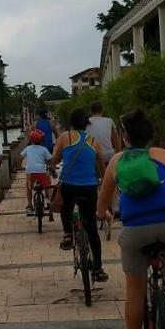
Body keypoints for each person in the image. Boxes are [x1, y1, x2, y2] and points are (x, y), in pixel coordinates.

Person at [96, 108, 165, 329]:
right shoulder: (162, 155)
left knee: (135, 291)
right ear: (150, 136)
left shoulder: (116, 161)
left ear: (125, 138)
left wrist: (104, 213)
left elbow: (102, 202)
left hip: (136, 230)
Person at [51, 108, 108, 282]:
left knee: (65, 206)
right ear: (87, 124)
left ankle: (68, 234)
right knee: (91, 229)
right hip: (89, 188)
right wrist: (101, 180)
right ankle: (98, 269)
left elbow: (55, 159)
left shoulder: (64, 137)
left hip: (69, 185)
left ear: (70, 123)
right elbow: (101, 168)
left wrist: (55, 163)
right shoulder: (93, 142)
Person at [22, 128, 53, 214]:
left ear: (31, 140)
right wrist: (51, 167)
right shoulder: (44, 149)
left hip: (30, 172)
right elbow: (50, 159)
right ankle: (50, 203)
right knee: (48, 186)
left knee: (29, 187)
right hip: (41, 171)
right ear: (42, 141)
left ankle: (29, 205)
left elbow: (21, 157)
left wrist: (18, 167)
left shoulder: (28, 148)